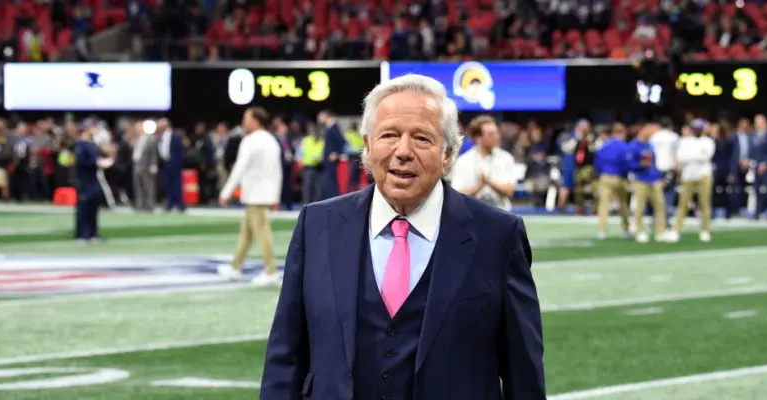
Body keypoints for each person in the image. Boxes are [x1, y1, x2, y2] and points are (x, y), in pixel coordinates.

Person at [260, 74, 546, 400]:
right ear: (367, 147)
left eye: (422, 138)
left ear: (448, 154)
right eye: (389, 135)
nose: (403, 151)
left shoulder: (499, 236)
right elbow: (286, 356)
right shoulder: (317, 224)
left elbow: (523, 373)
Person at [217, 107, 283, 286]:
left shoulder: (251, 141)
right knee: (246, 233)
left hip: (255, 194)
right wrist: (275, 196)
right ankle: (235, 267)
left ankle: (271, 271)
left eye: (247, 118)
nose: (244, 122)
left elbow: (239, 168)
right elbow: (278, 171)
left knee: (262, 233)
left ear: (256, 121)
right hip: (264, 193)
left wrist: (226, 192)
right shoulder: (271, 140)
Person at [451, 114, 517, 211]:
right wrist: (478, 187)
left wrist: (490, 182)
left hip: (501, 214)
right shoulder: (463, 161)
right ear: (478, 138)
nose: (496, 137)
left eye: (496, 133)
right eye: (491, 134)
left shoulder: (506, 158)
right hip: (473, 215)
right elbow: (457, 194)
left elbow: (509, 191)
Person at [667, 122, 715, 243]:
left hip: (704, 174)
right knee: (683, 203)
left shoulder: (707, 141)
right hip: (688, 175)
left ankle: (705, 230)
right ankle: (675, 230)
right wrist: (696, 156)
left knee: (704, 203)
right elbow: (682, 157)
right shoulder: (685, 141)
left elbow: (706, 156)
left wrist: (691, 156)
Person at [628, 123, 671, 243]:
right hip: (640, 179)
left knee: (660, 205)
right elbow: (630, 164)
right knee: (639, 207)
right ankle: (639, 231)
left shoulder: (650, 145)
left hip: (653, 180)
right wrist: (639, 165)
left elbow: (654, 163)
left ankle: (660, 232)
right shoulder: (633, 145)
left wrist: (659, 177)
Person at [74, 124, 113, 243]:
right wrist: (95, 163)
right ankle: (82, 234)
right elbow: (81, 161)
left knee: (93, 207)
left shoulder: (92, 144)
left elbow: (99, 157)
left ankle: (92, 233)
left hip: (93, 179)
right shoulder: (80, 144)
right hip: (84, 179)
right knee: (84, 207)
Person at [594, 122, 631, 239]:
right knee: (623, 204)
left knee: (603, 205)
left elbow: (597, 163)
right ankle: (625, 229)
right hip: (619, 177)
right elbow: (627, 164)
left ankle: (602, 231)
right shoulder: (625, 147)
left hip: (605, 177)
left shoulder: (604, 146)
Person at [157, 118, 185, 212]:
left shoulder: (175, 135)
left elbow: (179, 151)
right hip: (165, 163)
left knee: (176, 184)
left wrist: (177, 163)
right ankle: (170, 203)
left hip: (174, 163)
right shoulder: (161, 136)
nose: (159, 127)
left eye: (161, 125)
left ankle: (179, 204)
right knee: (167, 184)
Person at [131, 121, 159, 212]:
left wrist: (153, 165)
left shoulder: (151, 139)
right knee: (138, 186)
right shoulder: (138, 139)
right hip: (137, 164)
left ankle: (150, 204)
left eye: (138, 128)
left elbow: (153, 153)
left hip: (146, 165)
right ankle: (140, 204)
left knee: (148, 185)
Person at [319, 109, 346, 200]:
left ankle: (333, 200)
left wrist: (336, 153)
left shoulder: (333, 127)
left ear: (327, 116)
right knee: (328, 181)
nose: (320, 118)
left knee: (330, 181)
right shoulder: (329, 127)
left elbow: (342, 141)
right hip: (327, 159)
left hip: (331, 160)